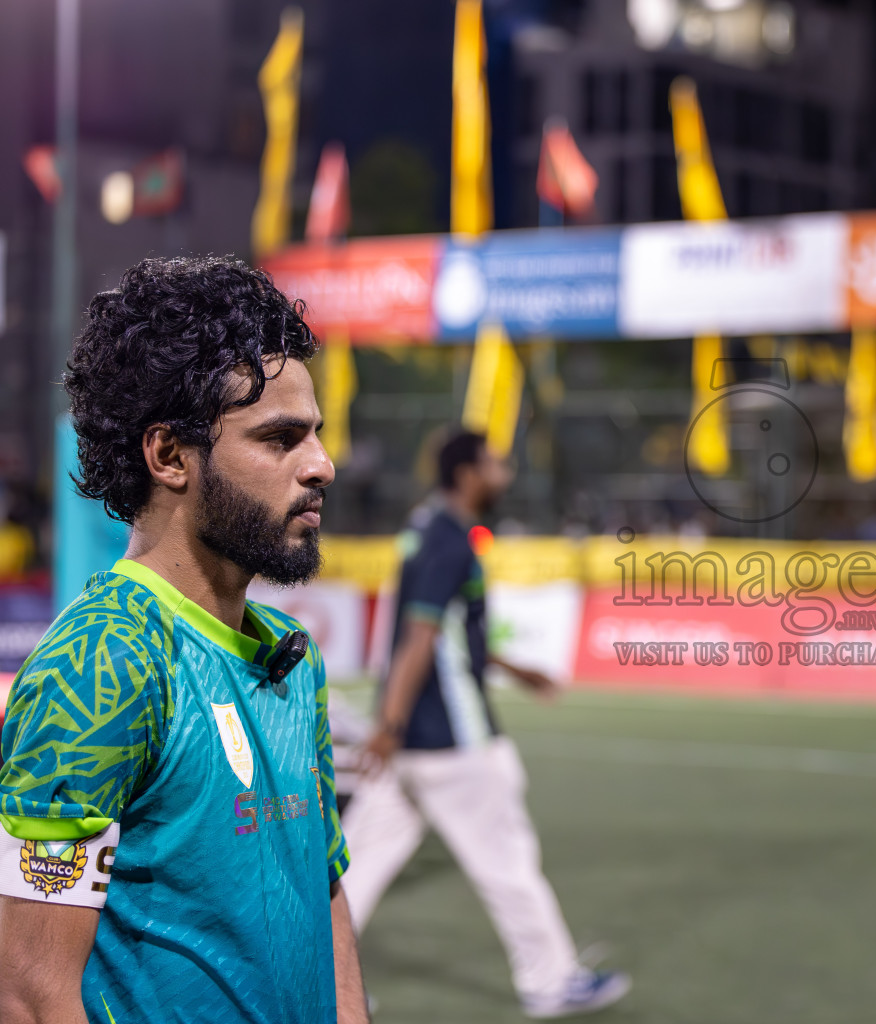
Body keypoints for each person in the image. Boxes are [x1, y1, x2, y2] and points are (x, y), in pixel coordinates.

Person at [0, 255, 367, 1022]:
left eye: (318, 436)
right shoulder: (102, 662)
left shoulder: (293, 661)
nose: (322, 465)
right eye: (281, 438)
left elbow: (321, 895)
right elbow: (30, 997)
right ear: (169, 455)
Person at [343, 431, 630, 1019]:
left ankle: (316, 983)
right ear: (468, 474)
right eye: (495, 464)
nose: (505, 472)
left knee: (355, 866)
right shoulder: (449, 540)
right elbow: (422, 638)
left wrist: (516, 670)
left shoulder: (425, 529)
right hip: (453, 743)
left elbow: (446, 636)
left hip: (411, 743)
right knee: (507, 865)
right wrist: (390, 723)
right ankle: (552, 982)